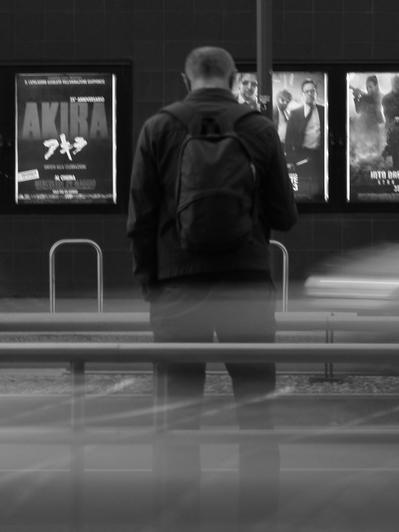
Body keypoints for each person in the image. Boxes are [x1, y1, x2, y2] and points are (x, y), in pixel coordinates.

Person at [127, 46, 297, 525]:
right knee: (257, 417)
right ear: (234, 77)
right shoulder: (258, 128)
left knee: (178, 420)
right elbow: (285, 216)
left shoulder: (159, 127)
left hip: (178, 289)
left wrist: (151, 286)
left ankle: (180, 520)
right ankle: (258, 520)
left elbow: (139, 219)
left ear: (187, 79)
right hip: (245, 286)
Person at [282, 78, 327, 199]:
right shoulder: (295, 113)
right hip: (302, 155)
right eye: (307, 91)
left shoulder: (324, 111)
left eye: (312, 91)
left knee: (321, 186)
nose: (310, 94)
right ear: (302, 94)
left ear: (316, 93)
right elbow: (288, 138)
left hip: (320, 155)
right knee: (304, 188)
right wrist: (289, 160)